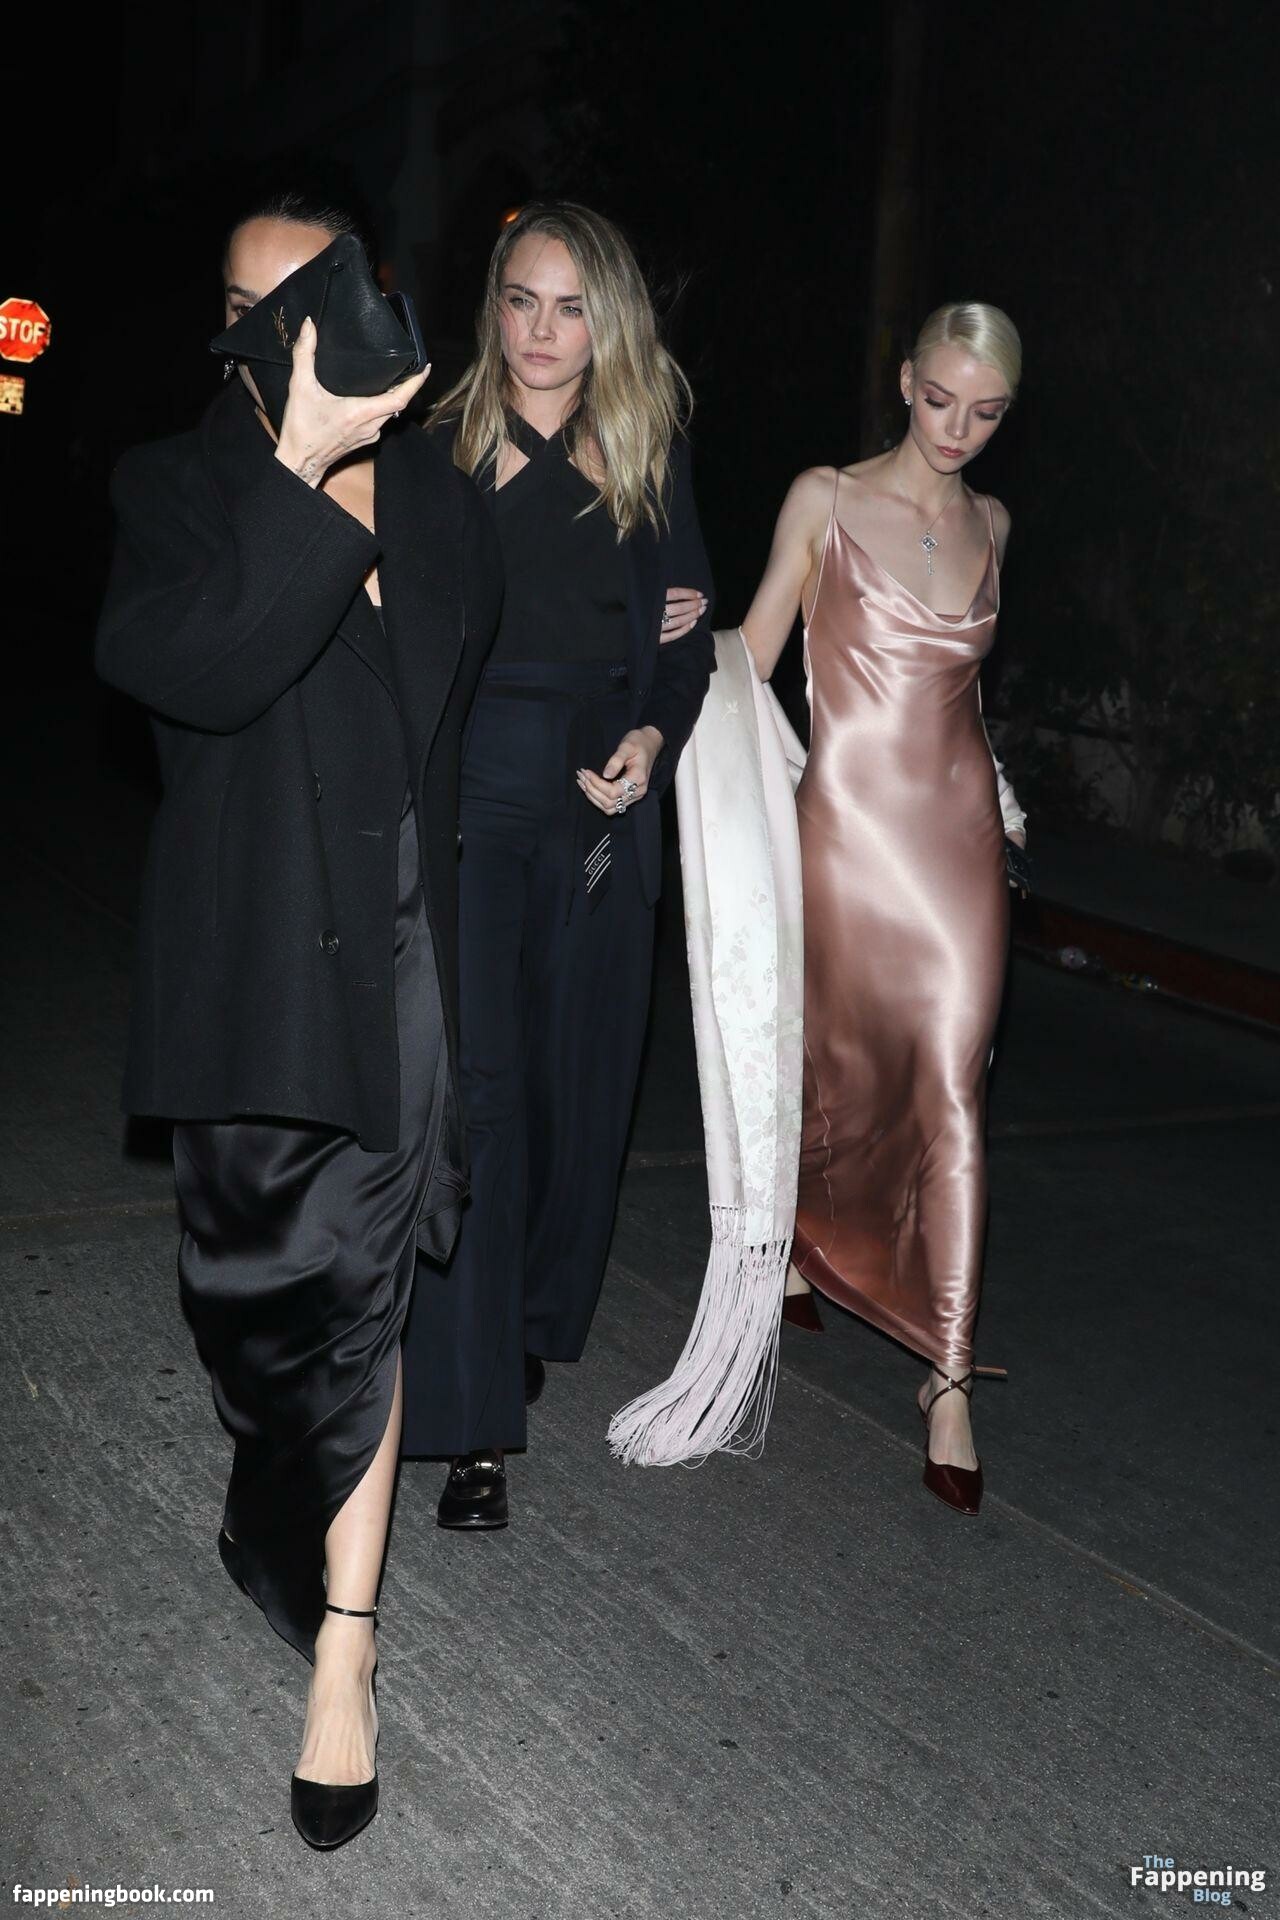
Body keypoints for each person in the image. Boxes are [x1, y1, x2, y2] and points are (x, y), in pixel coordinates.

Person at [94, 189, 502, 1848]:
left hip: (400, 964)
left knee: (366, 1298)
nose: (275, 329)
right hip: (257, 969)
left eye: (307, 295)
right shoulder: (177, 486)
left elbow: (462, 719)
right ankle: (277, 1502)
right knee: (262, 1312)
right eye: (247, 304)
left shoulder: (443, 498)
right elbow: (197, 672)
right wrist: (303, 466)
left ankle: (348, 1651)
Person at [400, 201, 715, 1527]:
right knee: (478, 1096)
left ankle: (521, 1312)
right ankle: (475, 1424)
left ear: (609, 321)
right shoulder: (438, 447)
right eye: (522, 300)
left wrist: (650, 735)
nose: (541, 330)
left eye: (571, 307)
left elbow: (685, 649)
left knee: (567, 1096)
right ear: (494, 307)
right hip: (470, 805)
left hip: (593, 813)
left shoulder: (645, 452)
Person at [738, 302, 1028, 1515]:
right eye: (940, 398)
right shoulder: (824, 498)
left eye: (985, 412)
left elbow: (959, 695)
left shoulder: (992, 524)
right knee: (838, 1067)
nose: (956, 428)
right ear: (904, 380)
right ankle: (806, 1234)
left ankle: (947, 1377)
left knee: (952, 1085)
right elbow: (754, 657)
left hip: (957, 844)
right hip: (846, 841)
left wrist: (1000, 793)